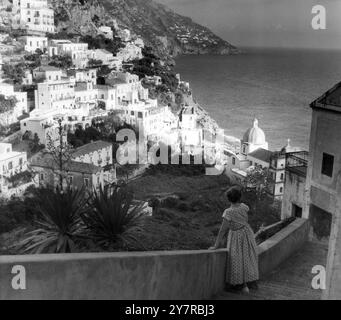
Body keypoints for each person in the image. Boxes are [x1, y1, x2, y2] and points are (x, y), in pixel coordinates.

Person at [209, 186, 259, 294]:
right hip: (247, 233)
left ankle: (237, 285)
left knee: (236, 260)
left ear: (228, 199)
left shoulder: (228, 212)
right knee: (247, 257)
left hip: (236, 236)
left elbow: (222, 231)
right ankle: (249, 283)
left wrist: (216, 245)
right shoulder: (244, 207)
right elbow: (246, 213)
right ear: (239, 197)